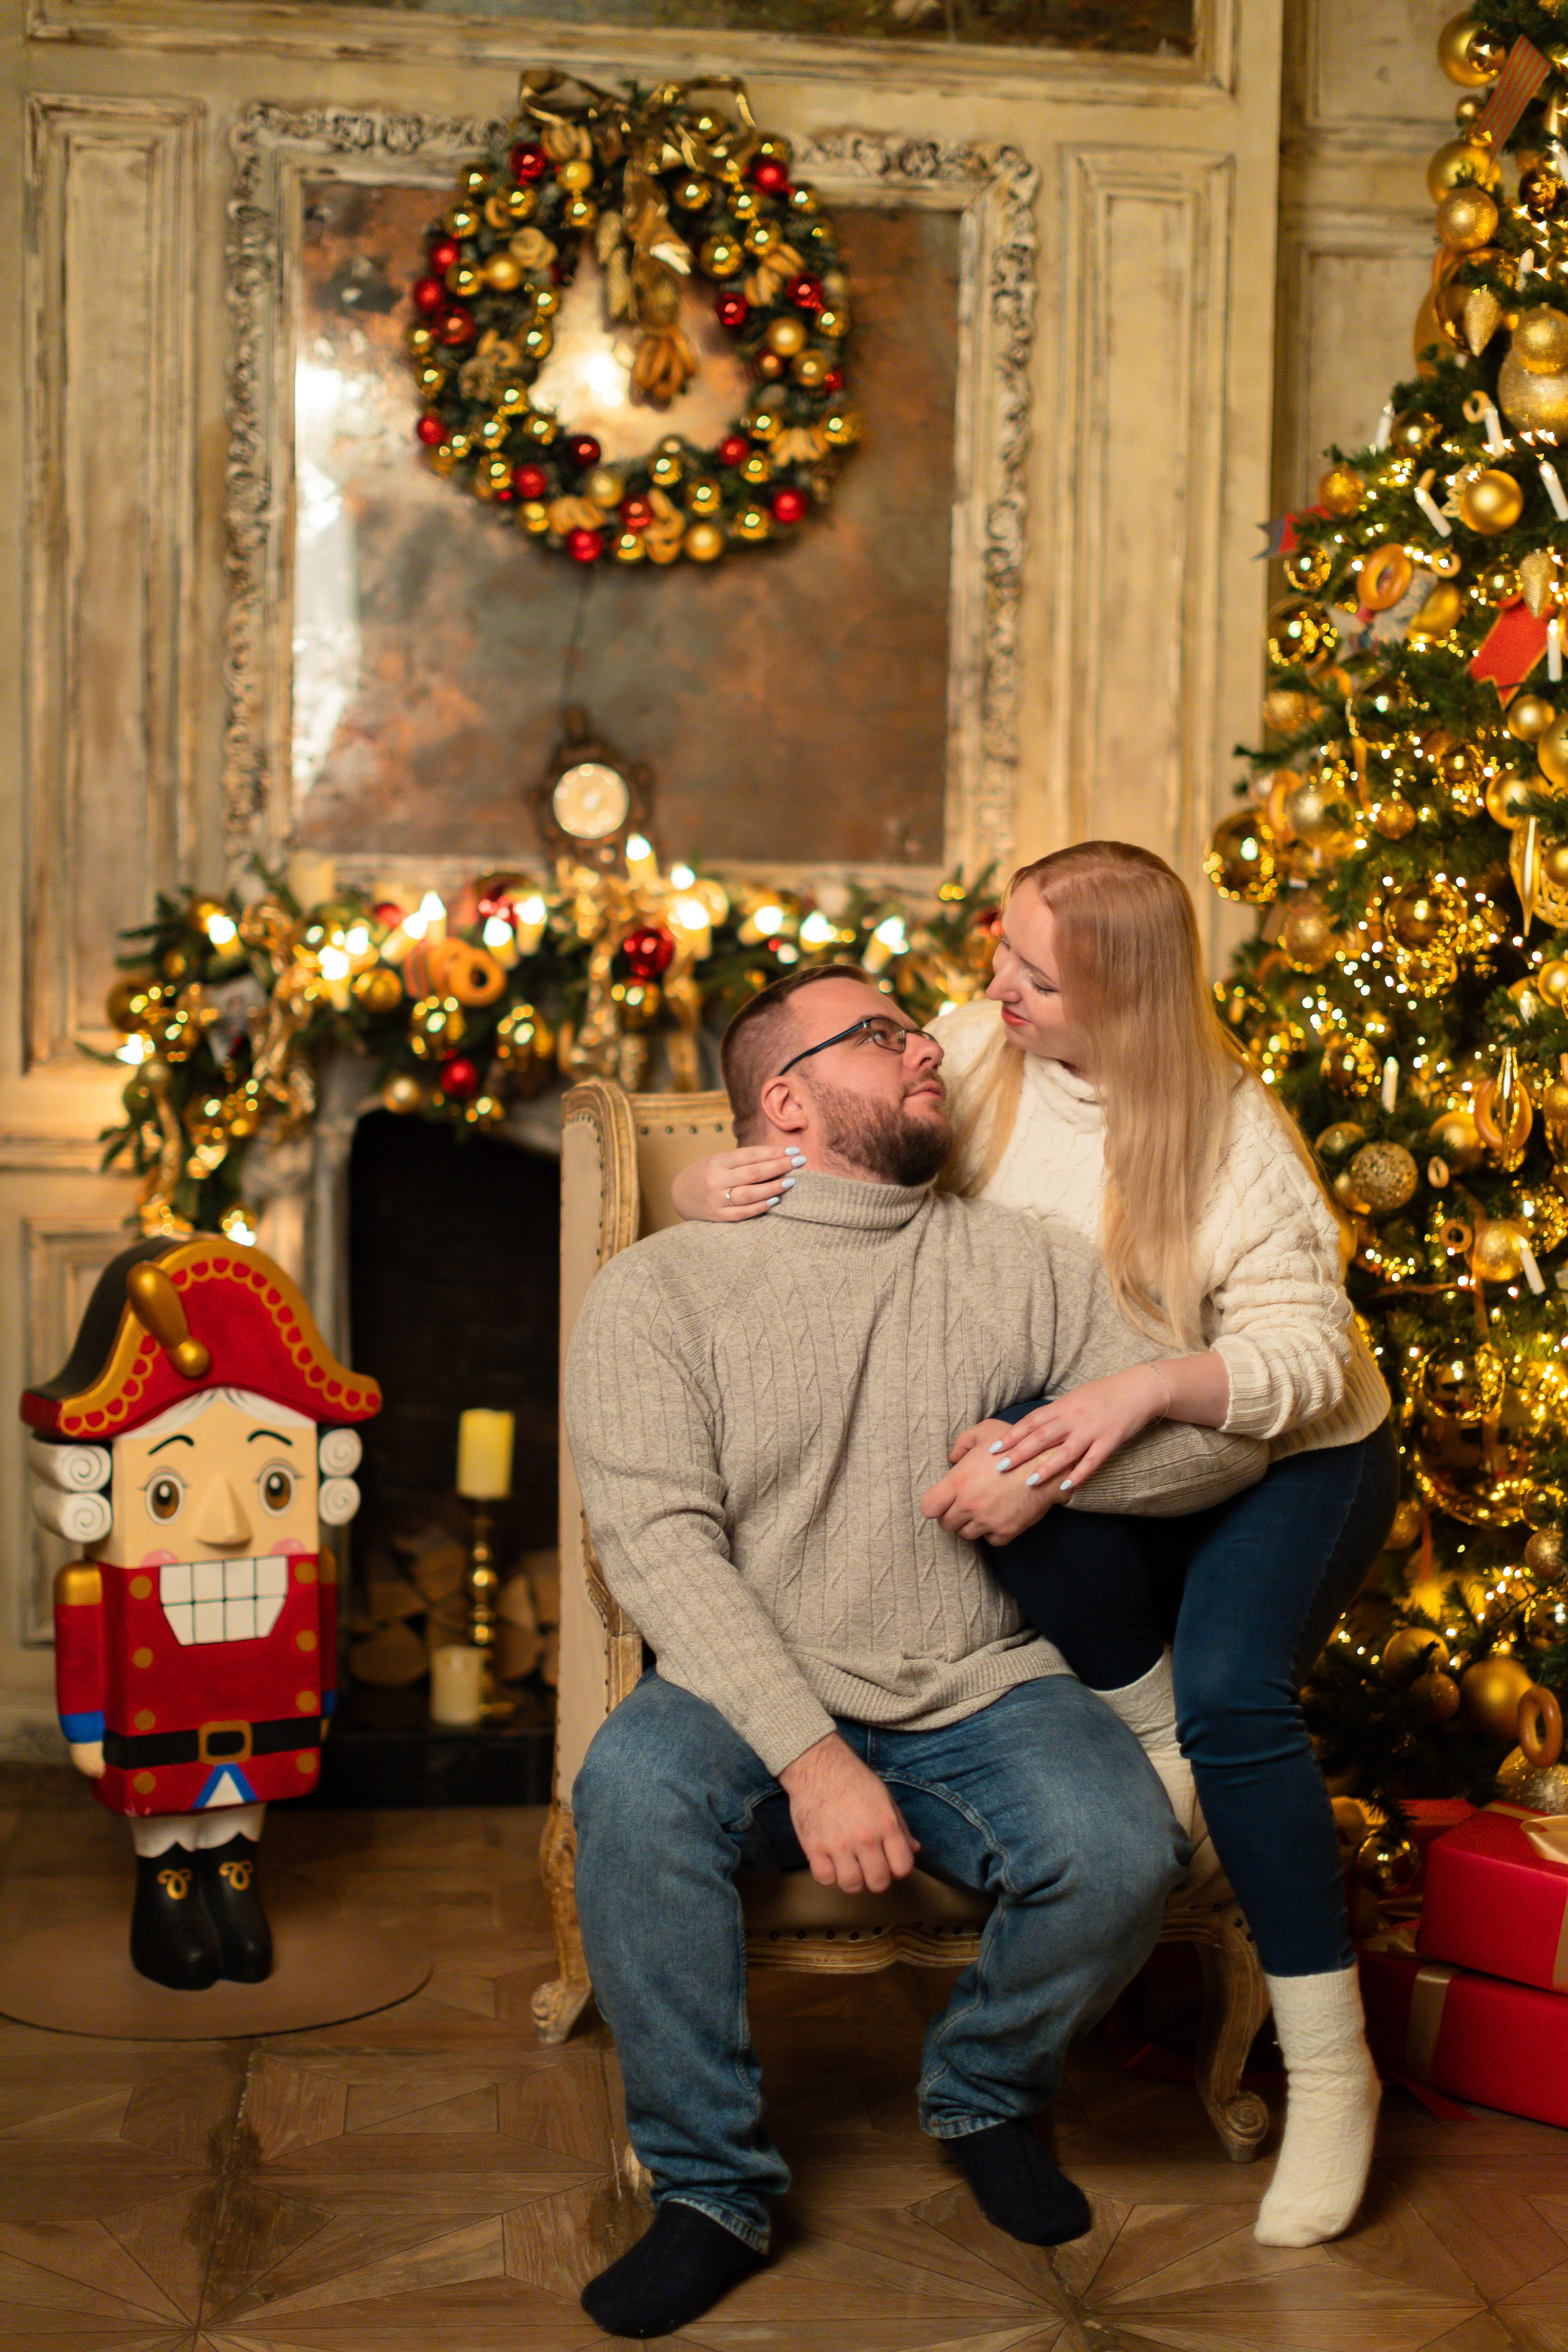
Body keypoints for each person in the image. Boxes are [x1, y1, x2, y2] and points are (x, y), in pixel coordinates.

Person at [676, 842, 1396, 2253]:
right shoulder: (976, 1045)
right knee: (1001, 1449)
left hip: (1289, 1449)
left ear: (1119, 1000)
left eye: (1032, 975)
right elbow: (845, 1144)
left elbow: (1303, 1357)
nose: (989, 987)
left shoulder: (1230, 1130)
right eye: (997, 952)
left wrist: (1133, 1389)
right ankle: (1146, 1731)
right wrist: (723, 1183)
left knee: (1238, 1692)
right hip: (1109, 1437)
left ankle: (1329, 2069)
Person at [564, 962, 1271, 2341]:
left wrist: (1061, 1461)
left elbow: (1209, 1446)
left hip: (982, 1678)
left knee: (1123, 1847)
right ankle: (710, 2187)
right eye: (881, 1037)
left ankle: (985, 2086)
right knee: (630, 1795)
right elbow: (658, 1551)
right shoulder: (662, 1287)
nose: (924, 1051)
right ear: (786, 1099)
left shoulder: (1024, 1263)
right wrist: (811, 1757)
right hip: (745, 1680)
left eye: (915, 1029)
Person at [21, 1232, 379, 1988]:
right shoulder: (98, 1588)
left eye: (274, 1485)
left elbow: (312, 1657)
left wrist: (319, 1710)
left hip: (264, 1717)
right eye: (168, 1492)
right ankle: (166, 1890)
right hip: (156, 1732)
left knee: (239, 1809)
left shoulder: (309, 1575)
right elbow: (87, 1663)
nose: (227, 1525)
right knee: (169, 1812)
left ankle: (235, 1884)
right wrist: (88, 1737)